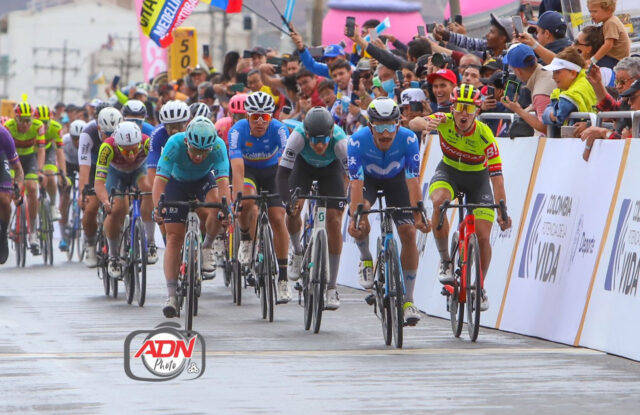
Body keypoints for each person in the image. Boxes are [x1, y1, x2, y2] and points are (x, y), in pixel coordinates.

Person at [424, 84, 512, 311]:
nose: (464, 113)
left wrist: (503, 211)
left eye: (470, 109)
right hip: (449, 173)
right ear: (452, 109)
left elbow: (497, 177)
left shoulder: (485, 135)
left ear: (477, 111)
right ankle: (445, 260)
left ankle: (479, 286)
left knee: (483, 236)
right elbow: (414, 123)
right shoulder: (443, 120)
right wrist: (426, 123)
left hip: (477, 179)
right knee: (439, 203)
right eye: (460, 107)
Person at [347, 97, 429, 326]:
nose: (385, 133)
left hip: (397, 182)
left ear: (398, 125)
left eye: (390, 126)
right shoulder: (357, 141)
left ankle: (408, 301)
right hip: (368, 181)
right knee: (361, 217)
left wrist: (418, 213)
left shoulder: (409, 139)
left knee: (409, 234)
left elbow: (413, 179)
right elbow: (355, 183)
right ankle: (365, 259)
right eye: (380, 127)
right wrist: (356, 217)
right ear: (370, 126)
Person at [153, 116, 230, 318]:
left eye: (204, 152)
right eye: (195, 150)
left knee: (216, 208)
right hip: (175, 183)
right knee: (174, 238)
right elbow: (159, 182)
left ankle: (206, 247)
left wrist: (226, 209)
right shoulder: (174, 143)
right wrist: (158, 207)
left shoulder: (219, 146)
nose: (198, 157)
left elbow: (223, 183)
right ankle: (171, 295)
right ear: (187, 141)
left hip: (203, 180)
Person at [276, 107, 348, 310]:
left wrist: (346, 199)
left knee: (334, 221)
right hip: (303, 168)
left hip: (331, 170)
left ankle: (332, 287)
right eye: (314, 140)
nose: (319, 145)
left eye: (324, 140)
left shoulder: (341, 142)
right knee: (294, 209)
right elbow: (282, 175)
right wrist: (287, 201)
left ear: (331, 135)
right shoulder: (297, 138)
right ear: (306, 135)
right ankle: (297, 251)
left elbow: (353, 175)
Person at [228, 91, 292, 303]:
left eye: (264, 117)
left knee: (277, 217)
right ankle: (246, 238)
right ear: (247, 117)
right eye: (255, 117)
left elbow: (286, 164)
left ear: (271, 117)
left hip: (274, 171)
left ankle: (283, 278)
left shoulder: (280, 129)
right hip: (248, 171)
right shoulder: (237, 131)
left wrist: (287, 194)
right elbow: (237, 169)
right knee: (247, 200)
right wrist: (237, 199)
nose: (259, 122)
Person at [94, 121, 156, 277]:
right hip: (116, 174)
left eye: (134, 149)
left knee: (148, 189)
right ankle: (113, 256)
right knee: (116, 209)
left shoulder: (147, 142)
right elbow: (99, 183)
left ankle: (151, 242)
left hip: (139, 171)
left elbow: (159, 173)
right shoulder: (107, 148)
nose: (131, 155)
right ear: (117, 145)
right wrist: (105, 201)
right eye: (126, 151)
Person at [78, 105, 122, 267]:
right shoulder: (88, 133)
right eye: (107, 134)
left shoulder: (124, 130)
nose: (110, 137)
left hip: (114, 167)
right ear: (98, 128)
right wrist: (83, 192)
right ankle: (90, 245)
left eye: (113, 134)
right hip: (94, 168)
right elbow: (84, 166)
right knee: (90, 207)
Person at [4, 101, 45, 253]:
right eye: (23, 120)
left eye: (29, 120)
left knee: (32, 188)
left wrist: (40, 170)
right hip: (12, 160)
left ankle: (33, 232)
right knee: (9, 193)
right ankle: (6, 226)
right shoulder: (8, 127)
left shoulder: (38, 126)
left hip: (29, 159)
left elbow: (41, 151)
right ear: (16, 119)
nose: (26, 124)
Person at [501, 43, 557, 134]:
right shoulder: (549, 72)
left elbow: (547, 128)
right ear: (535, 59)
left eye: (513, 70)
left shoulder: (540, 93)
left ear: (518, 71)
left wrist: (518, 111)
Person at [541, 48, 597, 127]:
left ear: (573, 73)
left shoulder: (579, 87)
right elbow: (544, 116)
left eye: (557, 72)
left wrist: (550, 114)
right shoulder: (564, 89)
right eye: (553, 72)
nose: (553, 77)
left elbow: (559, 114)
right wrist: (550, 114)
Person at [146, 100, 190, 188]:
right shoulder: (157, 134)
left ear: (187, 123)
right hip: (171, 171)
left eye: (178, 126)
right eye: (170, 127)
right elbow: (152, 169)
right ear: (164, 125)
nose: (174, 131)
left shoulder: (194, 130)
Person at [34, 105, 66, 222]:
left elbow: (60, 152)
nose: (44, 126)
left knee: (51, 176)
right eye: (40, 122)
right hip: (33, 152)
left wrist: (63, 174)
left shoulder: (56, 127)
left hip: (48, 152)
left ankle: (52, 206)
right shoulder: (32, 127)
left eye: (46, 122)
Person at [58, 119, 86, 251]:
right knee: (64, 197)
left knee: (86, 196)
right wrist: (62, 177)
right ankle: (63, 237)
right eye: (75, 138)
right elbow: (60, 160)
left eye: (80, 138)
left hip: (83, 165)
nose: (77, 142)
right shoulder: (65, 141)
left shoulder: (88, 141)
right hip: (67, 165)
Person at [0, 124, 24, 264]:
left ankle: (3, 234)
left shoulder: (3, 134)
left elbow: (18, 169)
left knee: (3, 198)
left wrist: (17, 188)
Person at [586, 0, 630, 68]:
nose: (591, 15)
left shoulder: (610, 23)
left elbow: (608, 44)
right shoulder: (610, 21)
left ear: (609, 10)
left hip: (615, 60)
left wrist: (593, 60)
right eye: (590, 11)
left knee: (591, 68)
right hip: (614, 58)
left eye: (595, 11)